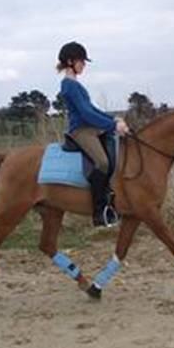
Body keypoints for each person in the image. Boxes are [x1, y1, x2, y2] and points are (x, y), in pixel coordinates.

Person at [56, 41, 130, 227]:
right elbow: (86, 114)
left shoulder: (75, 84)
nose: (84, 65)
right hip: (81, 131)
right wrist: (113, 126)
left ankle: (114, 203)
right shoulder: (69, 85)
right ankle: (99, 212)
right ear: (70, 61)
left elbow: (92, 109)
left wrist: (113, 120)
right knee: (103, 163)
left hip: (91, 127)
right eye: (81, 61)